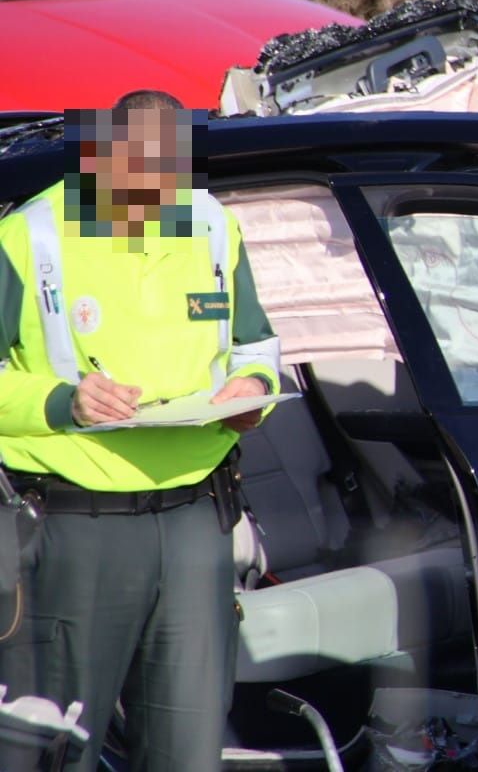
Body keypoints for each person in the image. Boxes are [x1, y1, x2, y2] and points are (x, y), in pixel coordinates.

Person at [0, 91, 279, 772]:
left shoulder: (212, 227)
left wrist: (253, 392)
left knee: (188, 750)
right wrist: (64, 401)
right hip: (77, 526)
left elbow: (257, 348)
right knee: (57, 748)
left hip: (194, 519)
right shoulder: (29, 236)